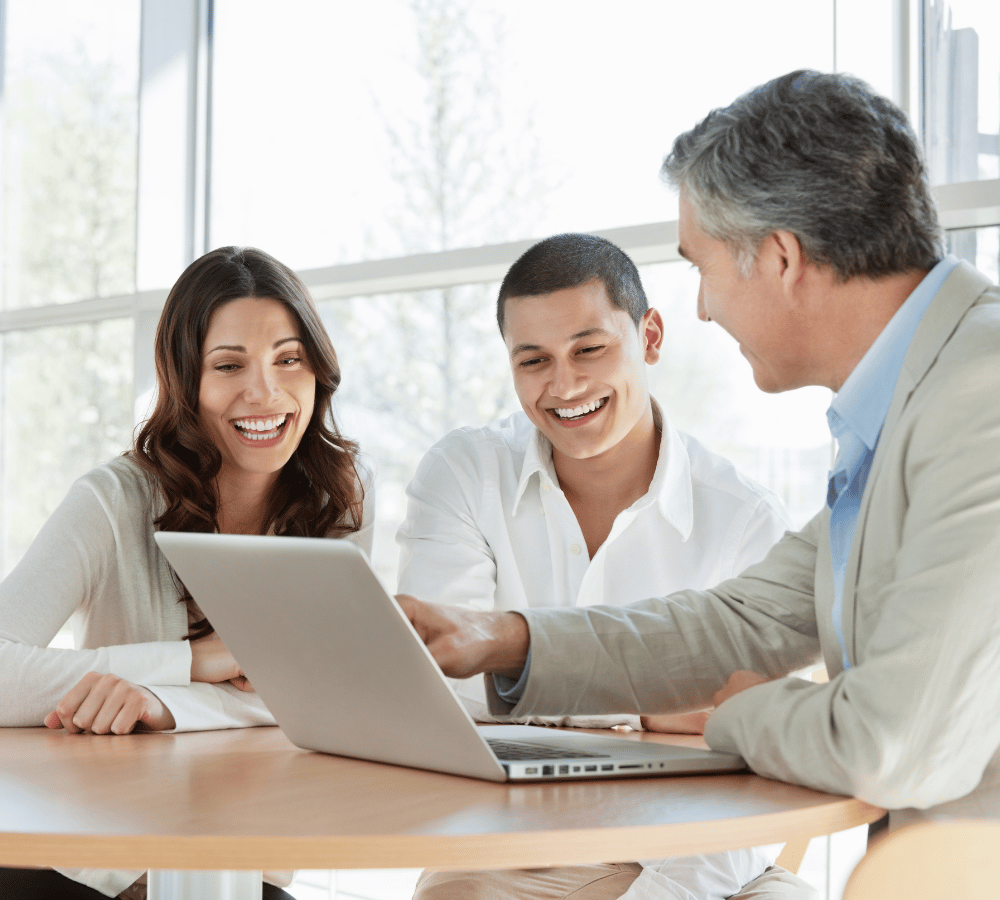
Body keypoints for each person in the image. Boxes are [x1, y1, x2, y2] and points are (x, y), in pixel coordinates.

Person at [397, 68, 1000, 886]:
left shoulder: (980, 396)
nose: (705, 310)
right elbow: (741, 619)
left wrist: (734, 713)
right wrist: (508, 641)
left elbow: (888, 742)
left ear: (780, 258)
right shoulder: (913, 403)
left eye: (701, 268)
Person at [398, 233, 816, 899]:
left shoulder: (743, 519)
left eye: (589, 349)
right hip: (505, 850)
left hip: (696, 851)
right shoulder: (466, 473)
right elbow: (435, 691)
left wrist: (533, 697)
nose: (564, 385)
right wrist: (643, 713)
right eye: (534, 360)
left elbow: (751, 751)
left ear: (650, 337)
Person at [0, 246, 374, 900]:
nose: (265, 392)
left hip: (245, 863)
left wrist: (163, 701)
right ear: (185, 381)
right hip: (97, 864)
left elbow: (332, 696)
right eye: (229, 365)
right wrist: (195, 661)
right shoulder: (114, 499)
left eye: (289, 359)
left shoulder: (339, 499)